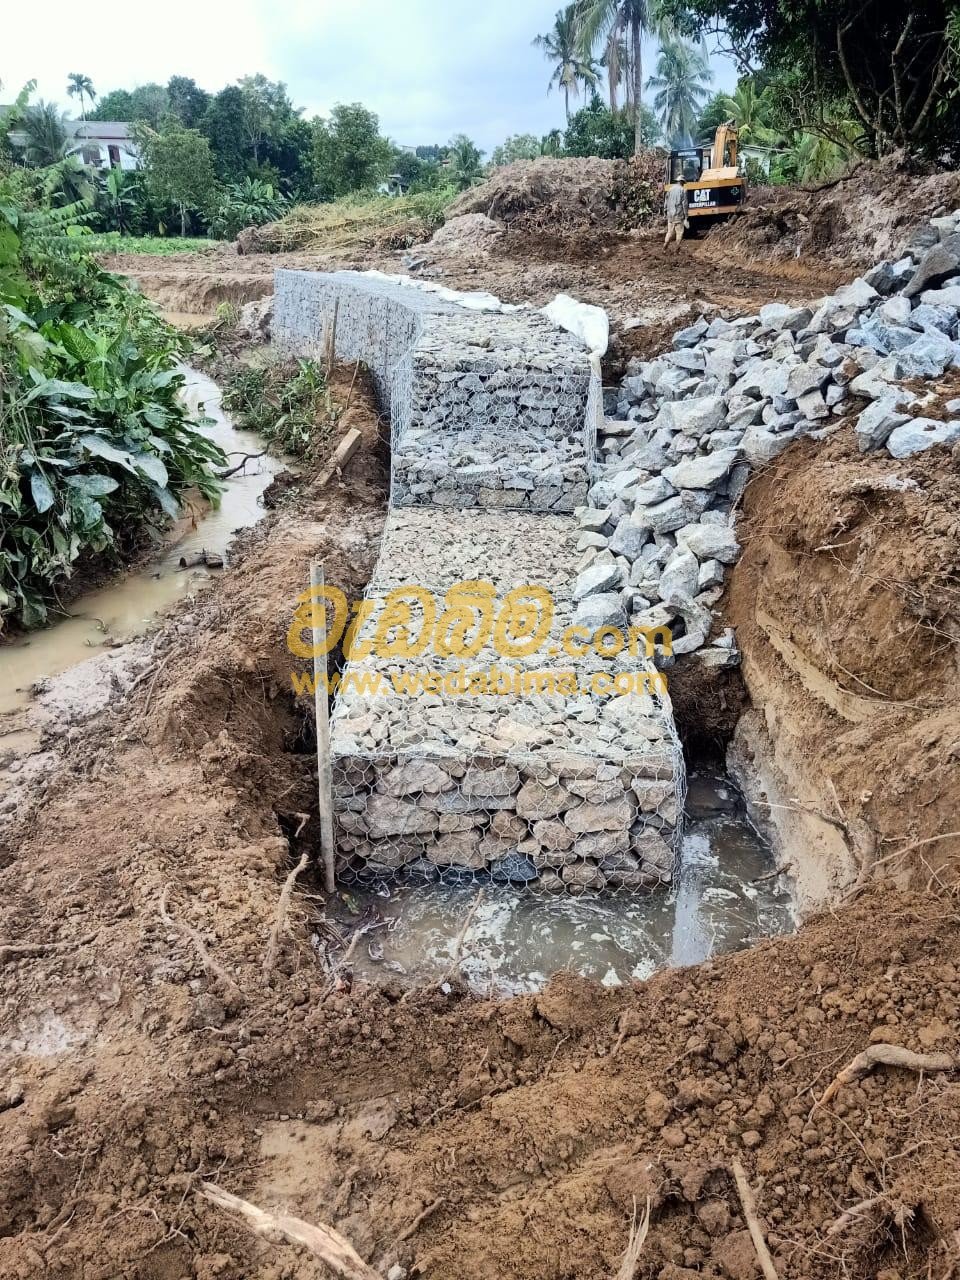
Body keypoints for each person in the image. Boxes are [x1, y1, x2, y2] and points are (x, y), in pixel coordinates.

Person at [664, 182, 689, 249]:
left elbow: (666, 201)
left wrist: (665, 210)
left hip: (670, 214)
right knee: (679, 232)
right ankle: (677, 248)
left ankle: (665, 246)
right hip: (678, 214)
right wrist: (686, 216)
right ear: (682, 182)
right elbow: (685, 204)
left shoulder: (670, 189)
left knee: (669, 232)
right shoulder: (683, 190)